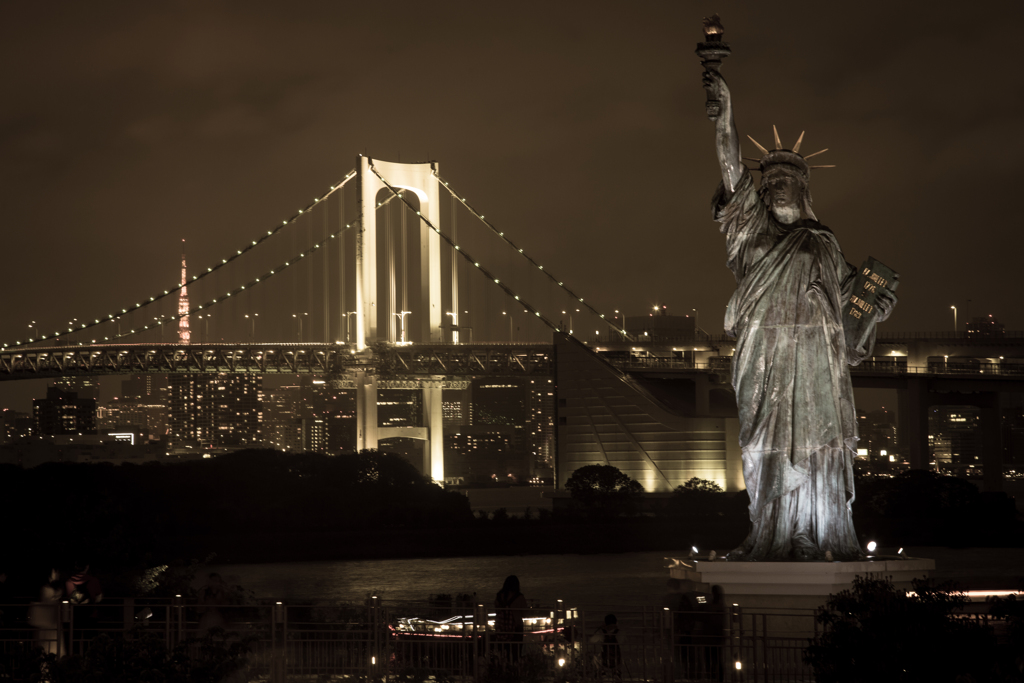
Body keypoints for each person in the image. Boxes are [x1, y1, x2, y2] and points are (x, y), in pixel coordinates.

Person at [702, 67, 896, 561]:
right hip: (765, 355)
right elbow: (729, 166)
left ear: (804, 188)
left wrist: (878, 312)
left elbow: (855, 306)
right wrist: (723, 110)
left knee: (819, 442)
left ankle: (818, 530)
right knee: (763, 441)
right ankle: (770, 529)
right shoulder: (750, 233)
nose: (778, 186)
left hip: (817, 361)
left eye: (788, 180)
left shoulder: (823, 243)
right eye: (770, 181)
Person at [493, 575, 527, 663]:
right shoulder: (519, 597)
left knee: (503, 652)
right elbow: (524, 613)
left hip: (501, 629)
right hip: (516, 628)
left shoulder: (499, 596)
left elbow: (496, 610)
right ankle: (515, 671)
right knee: (516, 652)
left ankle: (503, 669)